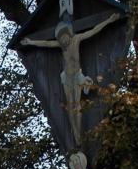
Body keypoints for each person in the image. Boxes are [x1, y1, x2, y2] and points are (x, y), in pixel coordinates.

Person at [21, 12, 121, 146]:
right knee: (70, 107)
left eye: (65, 37)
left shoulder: (76, 39)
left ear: (68, 34)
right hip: (66, 78)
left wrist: (109, 20)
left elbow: (94, 30)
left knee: (76, 105)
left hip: (77, 76)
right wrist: (30, 42)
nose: (63, 41)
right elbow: (45, 43)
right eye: (61, 39)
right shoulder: (61, 45)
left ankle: (79, 134)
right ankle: (75, 133)